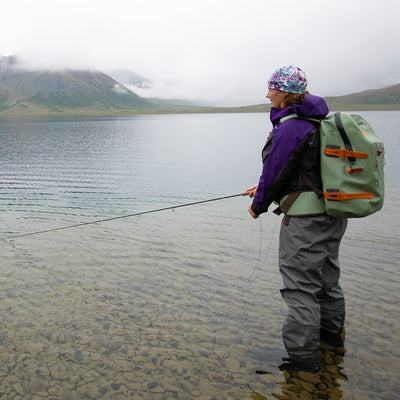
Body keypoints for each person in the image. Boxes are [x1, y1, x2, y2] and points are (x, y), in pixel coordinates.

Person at [246, 65, 347, 372]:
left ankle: (300, 359)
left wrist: (259, 204)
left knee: (300, 287)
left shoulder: (292, 127)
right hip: (331, 213)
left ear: (287, 93)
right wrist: (262, 188)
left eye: (272, 88)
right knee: (327, 281)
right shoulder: (315, 121)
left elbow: (275, 170)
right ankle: (332, 343)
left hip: (305, 220)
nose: (267, 94)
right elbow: (303, 170)